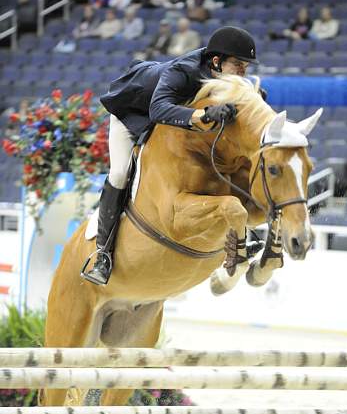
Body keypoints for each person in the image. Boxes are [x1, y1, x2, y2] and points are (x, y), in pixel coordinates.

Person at [82, 26, 259, 285]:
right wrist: (204, 115)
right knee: (120, 172)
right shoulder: (183, 71)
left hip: (169, 122)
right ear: (217, 61)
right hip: (132, 114)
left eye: (246, 66)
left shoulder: (223, 74)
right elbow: (157, 109)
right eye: (239, 65)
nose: (243, 72)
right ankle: (103, 254)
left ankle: (243, 237)